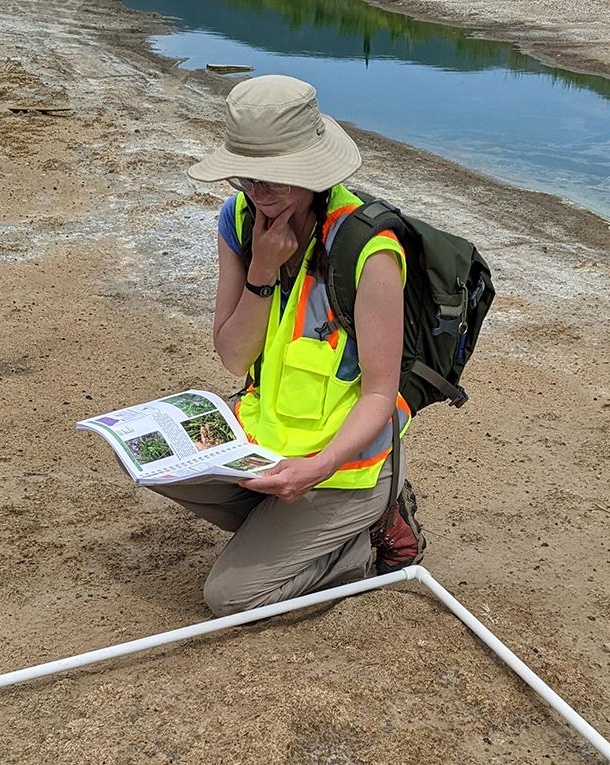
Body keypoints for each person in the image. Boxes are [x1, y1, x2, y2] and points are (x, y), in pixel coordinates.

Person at [148, 75, 425, 617]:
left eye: (273, 178)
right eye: (246, 176)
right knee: (157, 460)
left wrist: (316, 468)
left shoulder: (369, 249)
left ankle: (368, 538)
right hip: (265, 443)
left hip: (344, 467)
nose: (258, 191)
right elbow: (232, 356)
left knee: (229, 597)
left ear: (311, 167)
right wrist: (261, 270)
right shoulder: (238, 219)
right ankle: (291, 532)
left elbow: (380, 395)